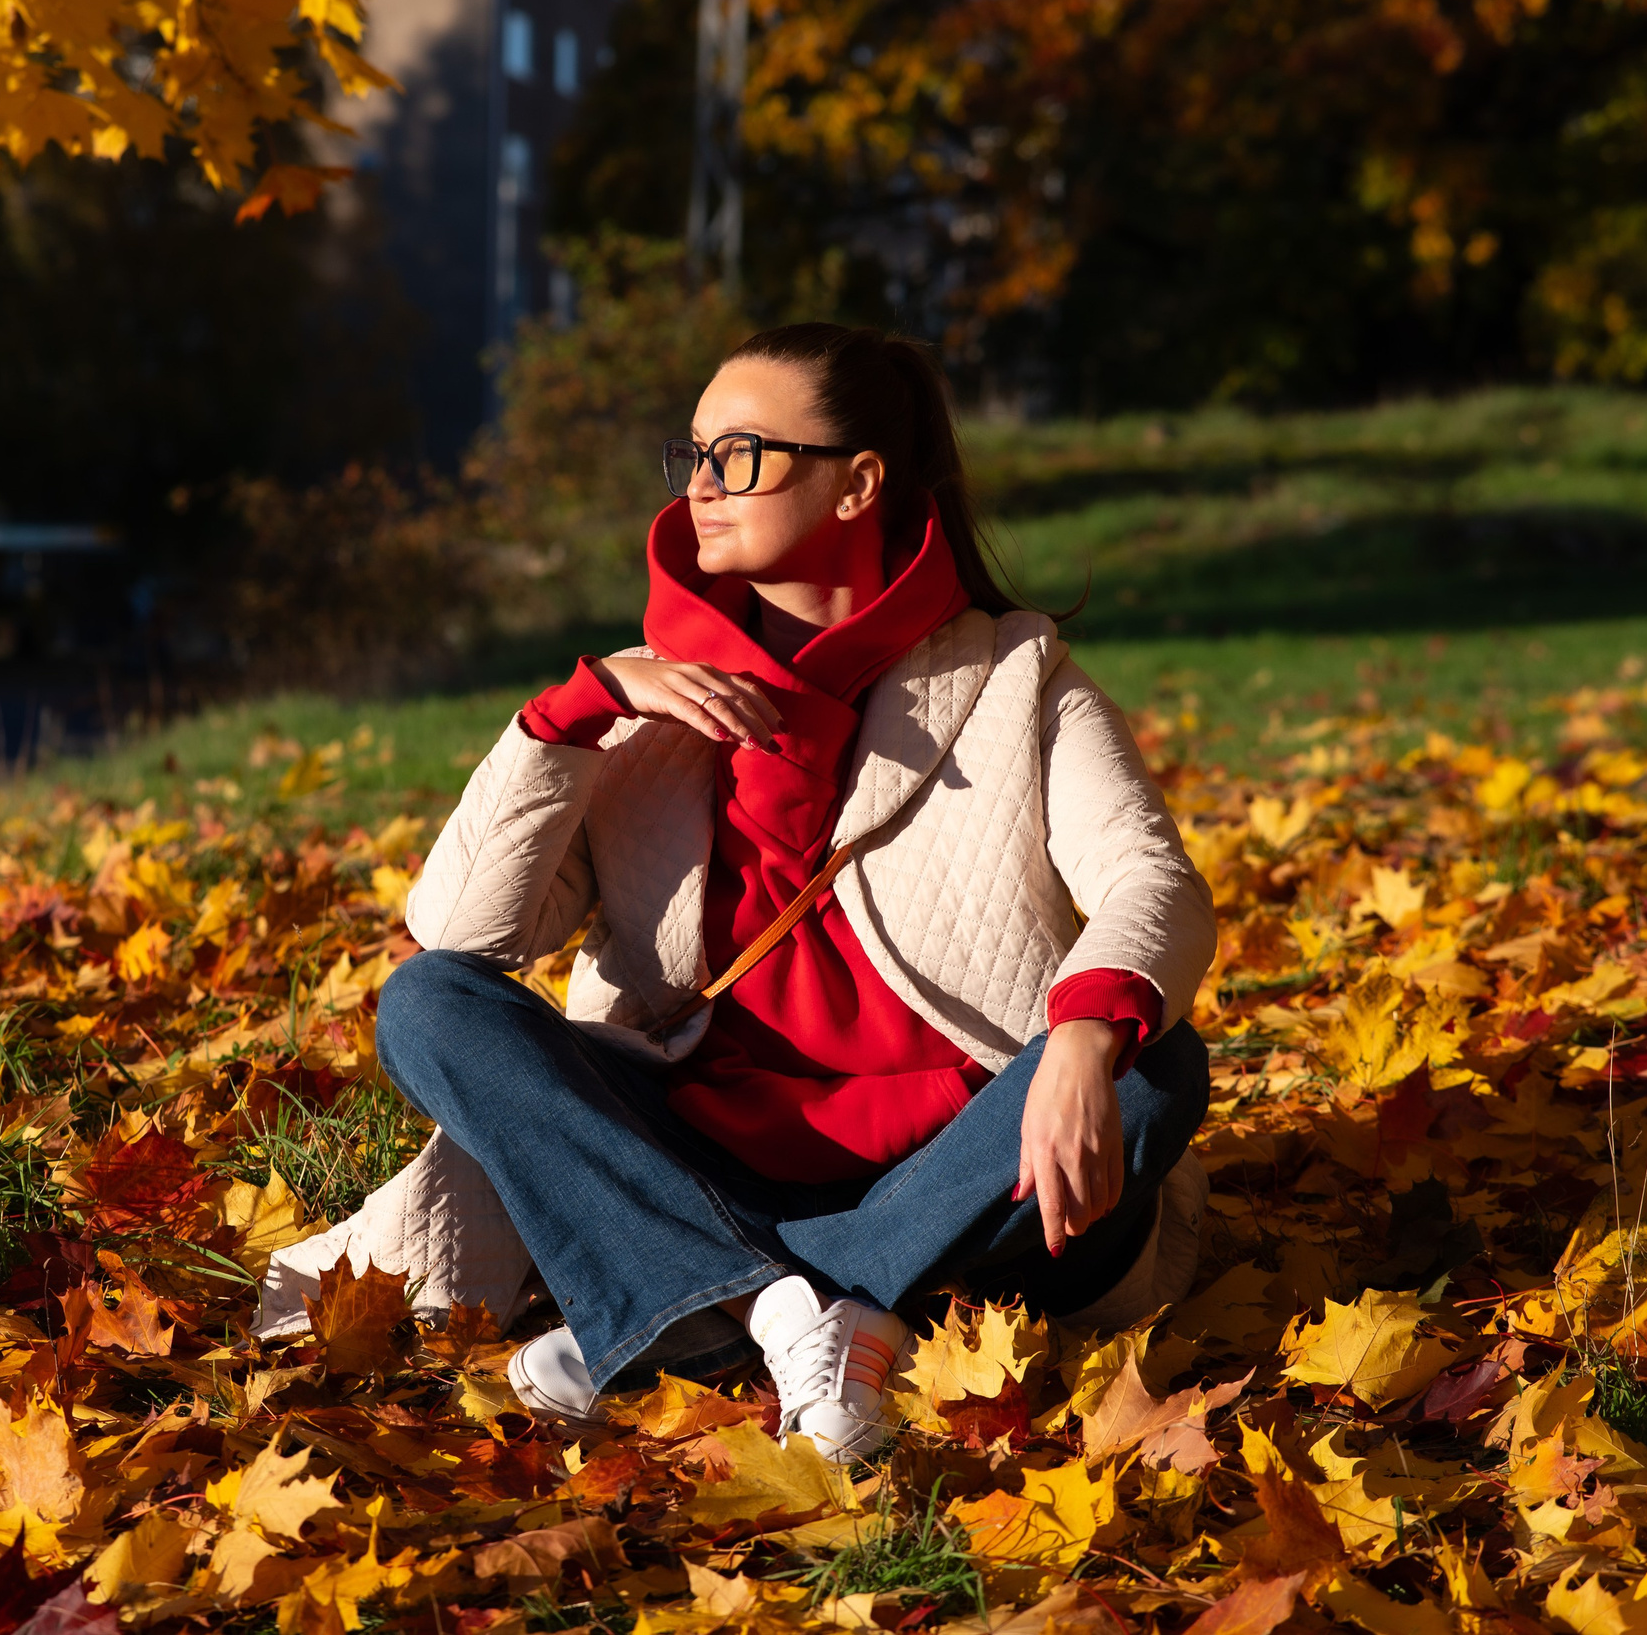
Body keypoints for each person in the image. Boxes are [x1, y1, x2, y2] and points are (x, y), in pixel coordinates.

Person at [374, 323, 1216, 1463]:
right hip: (698, 1159)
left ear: (858, 482)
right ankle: (792, 1311)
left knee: (1149, 1069)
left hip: (961, 1163)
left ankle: (697, 1312)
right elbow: (466, 936)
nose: (701, 488)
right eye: (694, 456)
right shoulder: (644, 699)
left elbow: (1146, 876)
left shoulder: (1017, 680)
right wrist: (564, 719)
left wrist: (1073, 1040)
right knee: (427, 1001)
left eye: (740, 452)